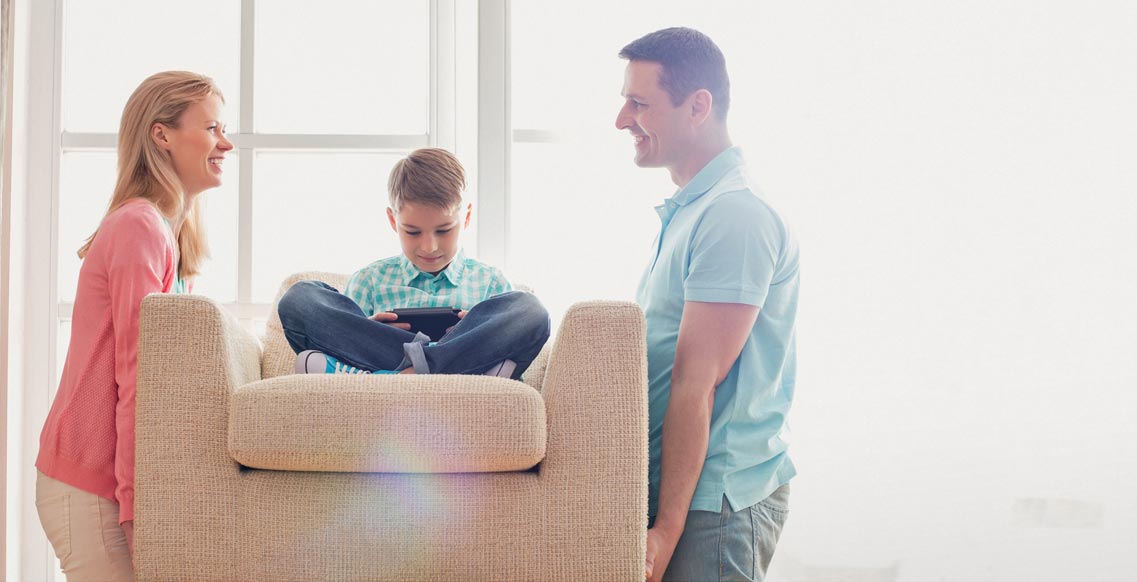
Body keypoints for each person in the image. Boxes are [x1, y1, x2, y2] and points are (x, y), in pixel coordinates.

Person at [616, 28, 801, 582]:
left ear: (698, 106)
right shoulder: (691, 212)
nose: (622, 120)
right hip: (683, 496)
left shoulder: (733, 216)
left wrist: (667, 531)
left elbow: (698, 381)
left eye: (639, 103)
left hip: (713, 504)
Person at [36, 70, 233, 581]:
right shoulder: (139, 227)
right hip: (93, 484)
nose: (225, 142)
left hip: (100, 481)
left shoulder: (160, 232)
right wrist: (133, 506)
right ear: (162, 134)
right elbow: (137, 378)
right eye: (211, 128)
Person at [276, 148, 549, 378]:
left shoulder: (490, 281)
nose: (429, 246)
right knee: (299, 298)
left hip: (426, 371)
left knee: (529, 310)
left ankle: (411, 372)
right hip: (396, 361)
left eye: (443, 230)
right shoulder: (369, 281)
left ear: (465, 218)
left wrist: (471, 331)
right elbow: (345, 337)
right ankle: (441, 371)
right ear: (393, 221)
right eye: (413, 232)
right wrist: (369, 328)